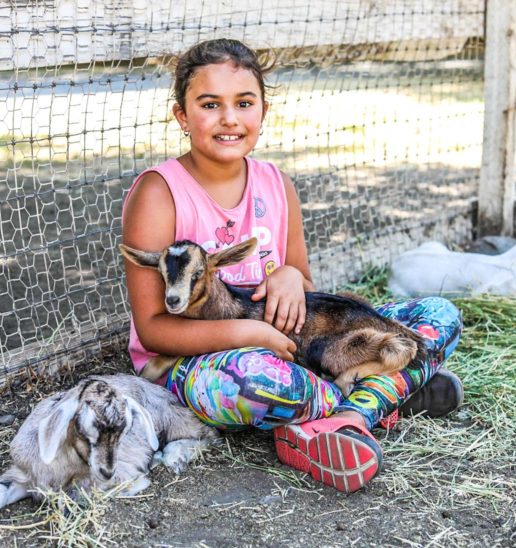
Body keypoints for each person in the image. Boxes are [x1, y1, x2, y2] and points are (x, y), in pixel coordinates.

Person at [121, 38, 463, 493]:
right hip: (193, 363)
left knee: (440, 315)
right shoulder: (159, 194)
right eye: (209, 105)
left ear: (262, 111)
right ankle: (382, 395)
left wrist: (286, 275)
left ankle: (348, 415)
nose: (229, 118)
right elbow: (153, 330)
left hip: (297, 345)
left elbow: (303, 281)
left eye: (244, 103)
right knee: (259, 382)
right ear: (183, 117)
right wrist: (251, 334)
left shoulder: (276, 185)